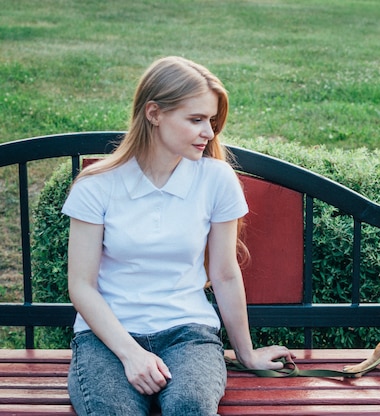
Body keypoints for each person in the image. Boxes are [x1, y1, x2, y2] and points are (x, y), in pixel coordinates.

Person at [62, 56, 294, 415]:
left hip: (188, 333)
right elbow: (81, 285)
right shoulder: (97, 186)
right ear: (154, 113)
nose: (210, 133)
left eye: (212, 121)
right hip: (106, 338)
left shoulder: (216, 179)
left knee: (191, 405)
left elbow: (225, 272)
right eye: (196, 119)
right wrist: (131, 353)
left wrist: (246, 353)